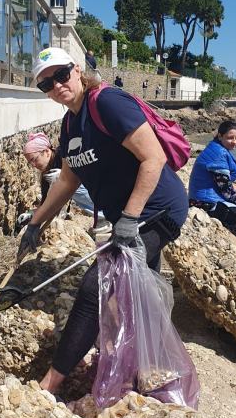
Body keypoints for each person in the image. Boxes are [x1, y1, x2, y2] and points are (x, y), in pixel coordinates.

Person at [18, 46, 189, 396]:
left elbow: (153, 158)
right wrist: (35, 224)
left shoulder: (108, 103)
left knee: (97, 286)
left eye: (61, 75)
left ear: (78, 70)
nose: (56, 86)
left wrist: (129, 218)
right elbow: (67, 181)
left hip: (158, 211)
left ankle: (49, 386)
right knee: (142, 290)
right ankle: (146, 368)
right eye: (46, 84)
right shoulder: (69, 124)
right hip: (134, 216)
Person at [22, 131, 110, 231]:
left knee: (69, 184)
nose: (33, 165)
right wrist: (31, 214)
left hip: (102, 185)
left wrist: (64, 176)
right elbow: (46, 203)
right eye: (30, 162)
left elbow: (88, 170)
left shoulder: (64, 153)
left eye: (34, 159)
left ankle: (107, 215)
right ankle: (102, 216)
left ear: (46, 152)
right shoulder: (48, 174)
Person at [188, 120, 236, 236]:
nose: (234, 142)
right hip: (204, 202)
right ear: (220, 136)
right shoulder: (218, 154)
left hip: (199, 198)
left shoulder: (216, 148)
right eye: (230, 138)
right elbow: (225, 188)